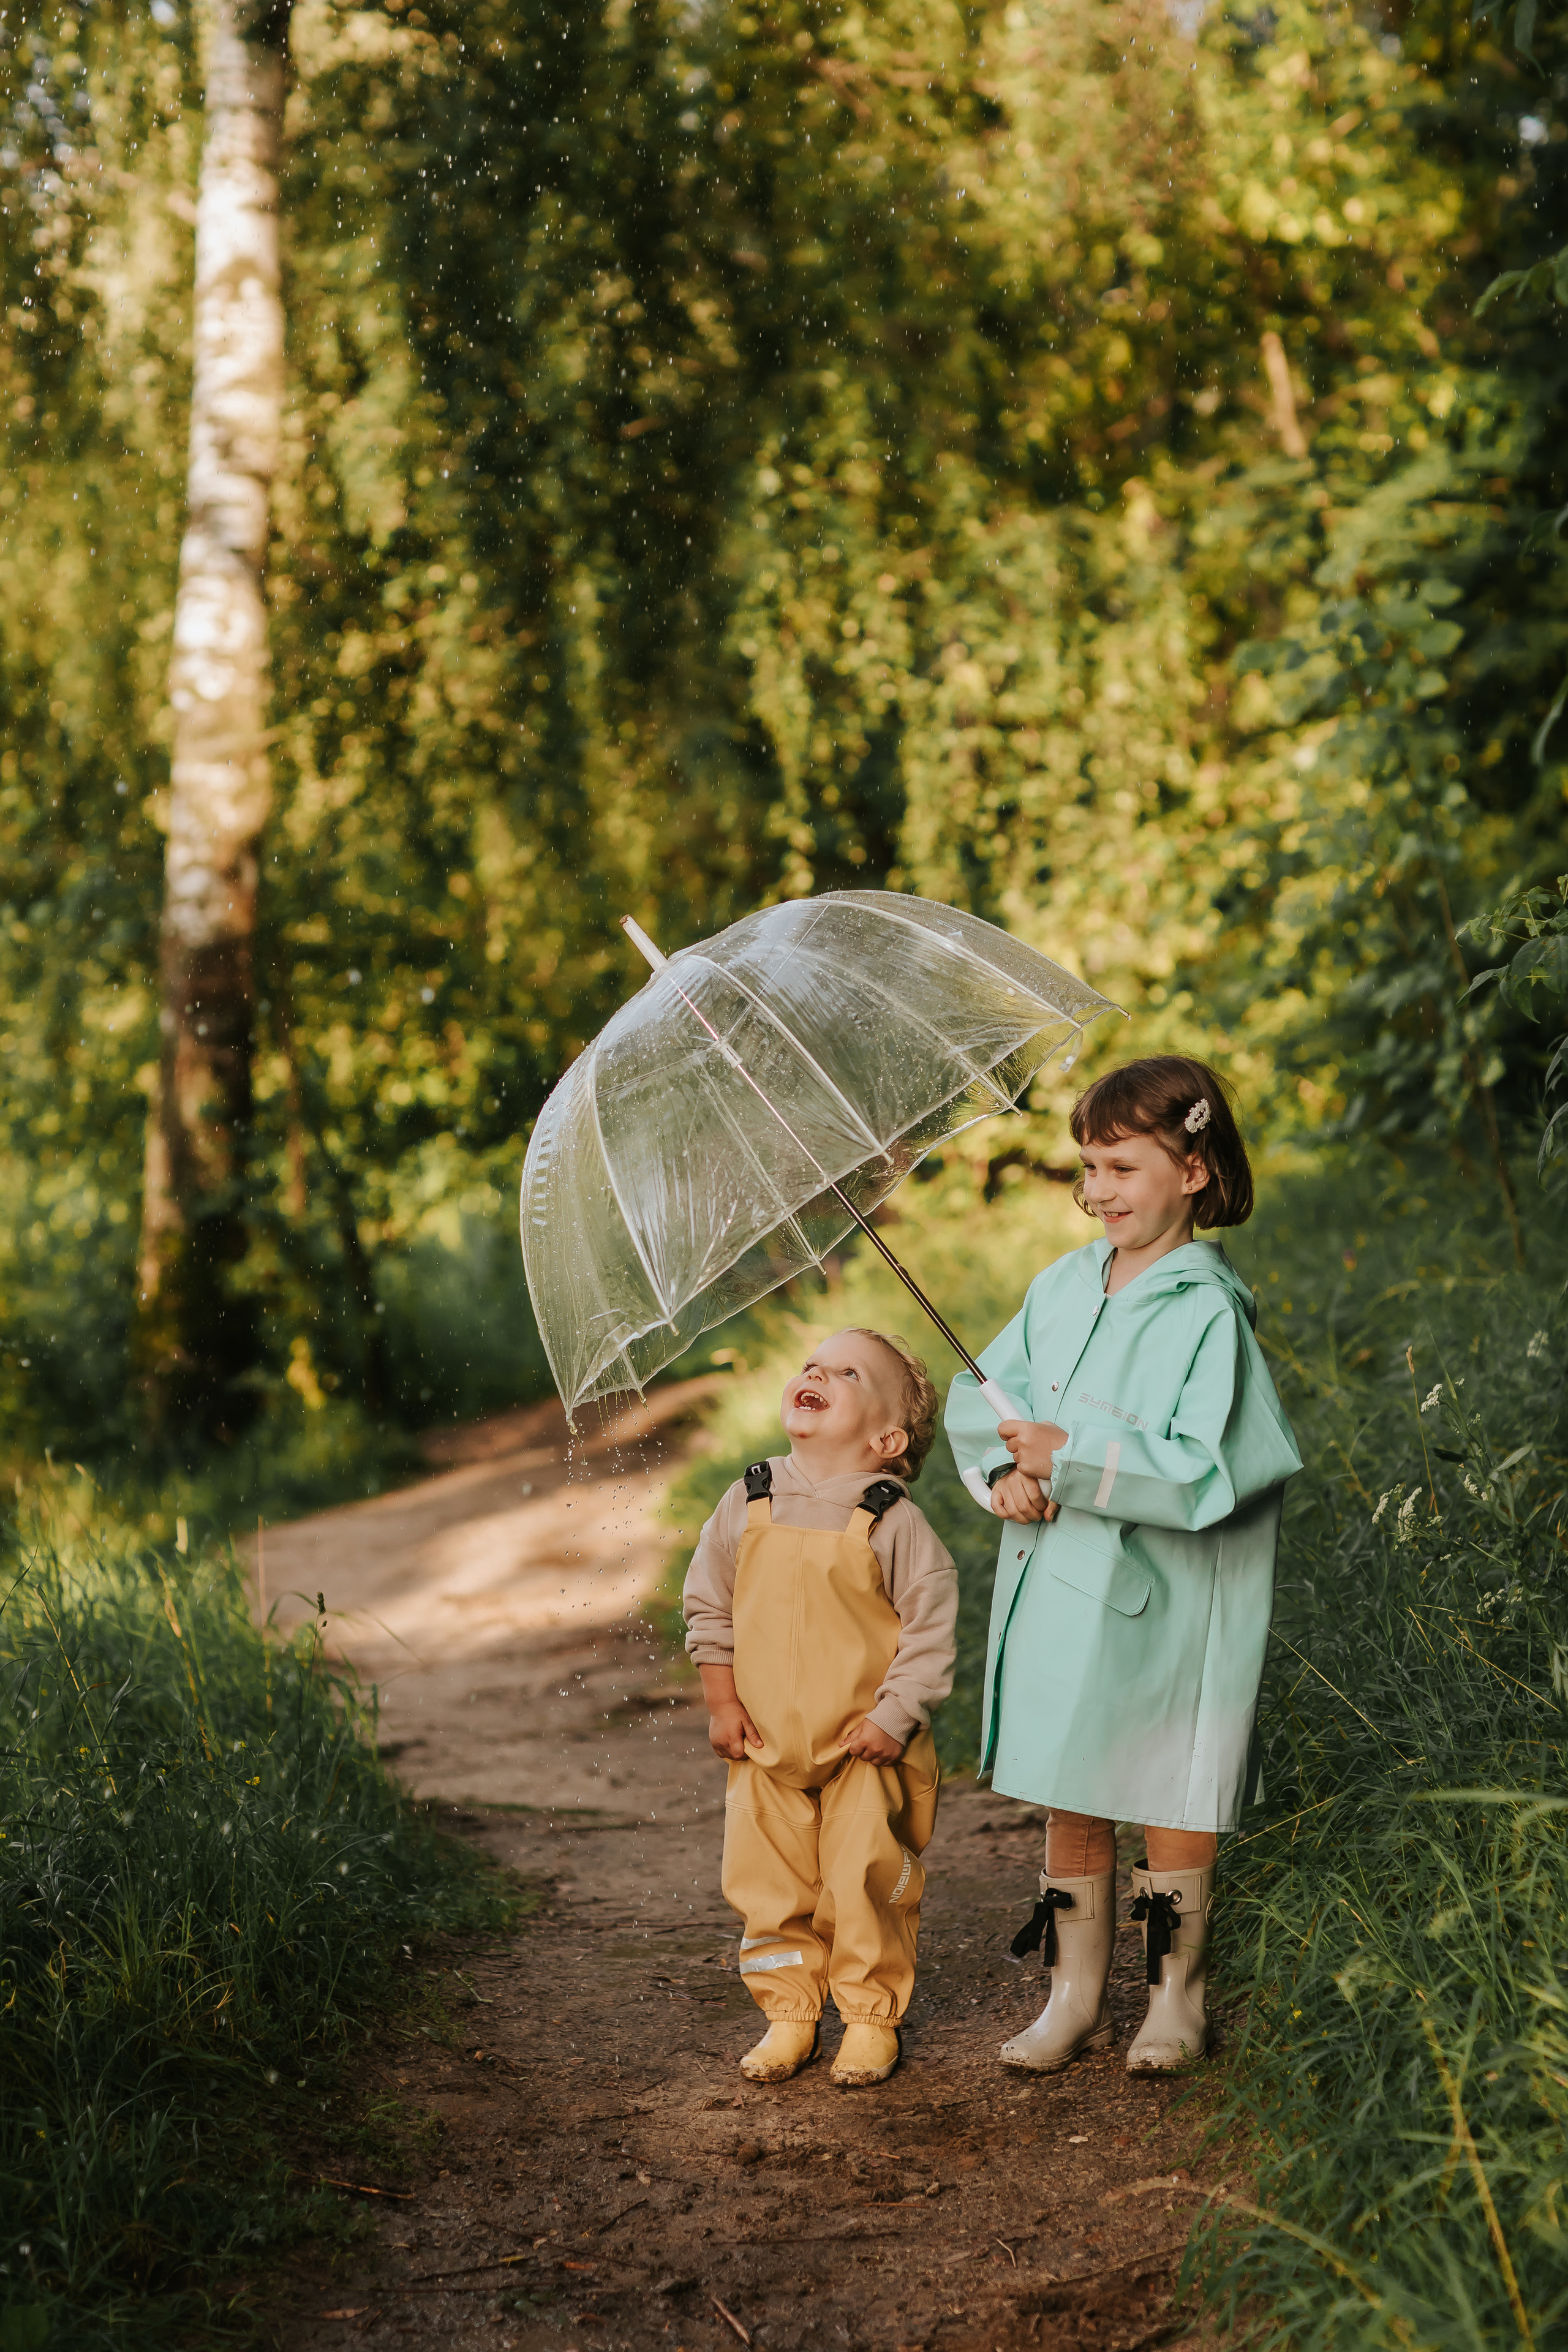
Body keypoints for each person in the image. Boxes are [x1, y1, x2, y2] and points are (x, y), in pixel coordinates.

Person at [944, 1056, 1301, 2075]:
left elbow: (1219, 1465)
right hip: (1065, 1581)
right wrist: (1001, 1476)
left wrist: (1079, 1460)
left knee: (1168, 1789)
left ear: (1193, 1169)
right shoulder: (1061, 1285)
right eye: (1086, 1166)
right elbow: (986, 1398)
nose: (1097, 1189)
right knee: (1071, 1785)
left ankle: (1174, 1997)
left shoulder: (1206, 1310)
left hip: (1171, 1600)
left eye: (1121, 1166)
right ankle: (1071, 1996)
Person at [683, 1327, 957, 2089]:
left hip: (863, 1748)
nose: (815, 1373)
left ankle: (869, 2018)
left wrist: (893, 1718)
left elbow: (929, 1635)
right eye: (810, 1364)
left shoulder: (891, 1520)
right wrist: (722, 1701)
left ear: (887, 1437)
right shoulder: (749, 1496)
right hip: (765, 1745)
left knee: (865, 1882)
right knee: (768, 1886)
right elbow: (708, 1603)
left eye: (845, 1372)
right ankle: (788, 2012)